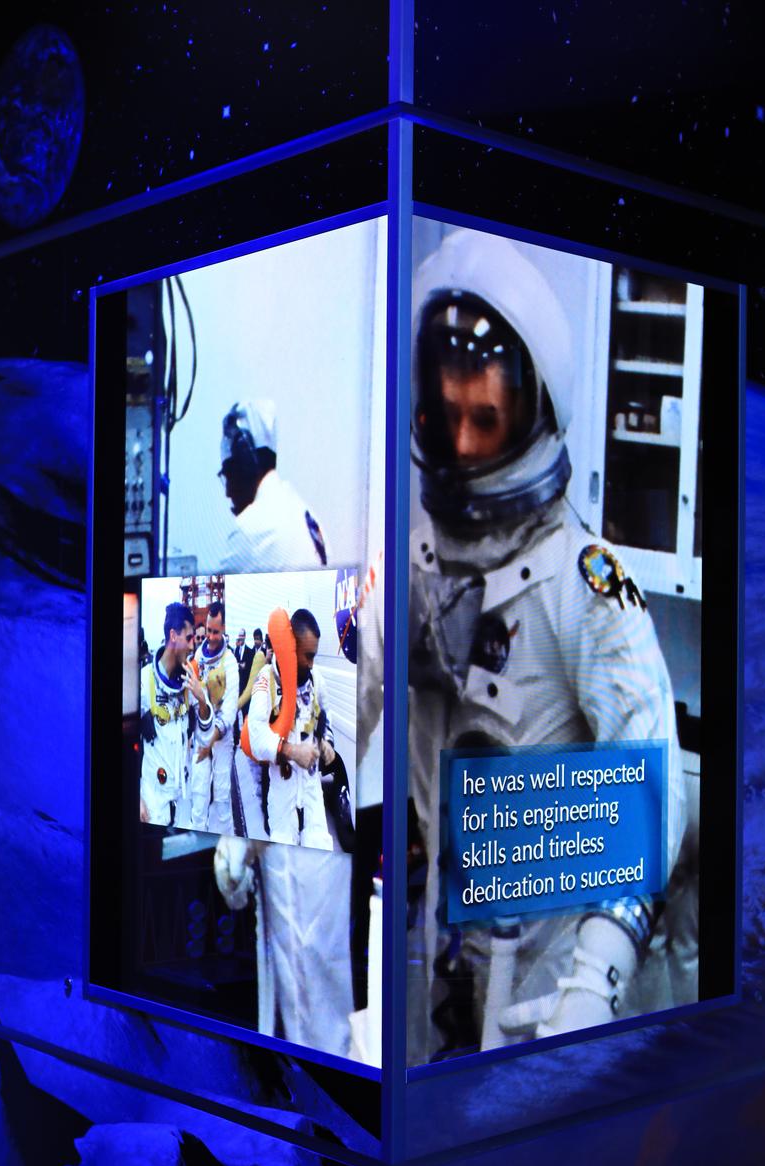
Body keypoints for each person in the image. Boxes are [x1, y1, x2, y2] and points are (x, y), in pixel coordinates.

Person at [359, 228, 686, 1061]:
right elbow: (348, 695)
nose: (464, 448)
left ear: (534, 414)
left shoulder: (585, 583)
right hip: (435, 946)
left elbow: (649, 787)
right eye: (449, 418)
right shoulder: (414, 564)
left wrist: (594, 984)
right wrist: (263, 815)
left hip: (548, 983)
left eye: (487, 420)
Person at [240, 608, 352, 1056]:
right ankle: (295, 1039)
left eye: (313, 656)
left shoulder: (317, 681)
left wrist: (322, 749)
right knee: (289, 924)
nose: (309, 664)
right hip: (283, 803)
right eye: (304, 656)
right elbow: (256, 737)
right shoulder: (269, 680)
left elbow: (321, 727)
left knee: (323, 910)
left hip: (312, 804)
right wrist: (290, 748)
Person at [218, 399, 328, 572]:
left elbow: (209, 598)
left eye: (228, 475)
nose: (228, 492)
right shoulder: (307, 516)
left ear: (245, 465)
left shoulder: (253, 529)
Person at [140, 602, 212, 827]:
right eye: (189, 638)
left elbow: (204, 738)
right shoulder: (143, 682)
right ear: (173, 635)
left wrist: (202, 700)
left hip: (183, 798)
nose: (193, 646)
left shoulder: (190, 683)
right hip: (152, 800)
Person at [190, 601, 239, 834]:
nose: (210, 636)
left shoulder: (229, 662)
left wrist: (211, 741)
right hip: (203, 729)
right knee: (199, 791)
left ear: (224, 628)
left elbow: (229, 712)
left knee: (221, 795)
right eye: (208, 630)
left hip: (222, 737)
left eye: (215, 631)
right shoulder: (199, 655)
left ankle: (229, 841)